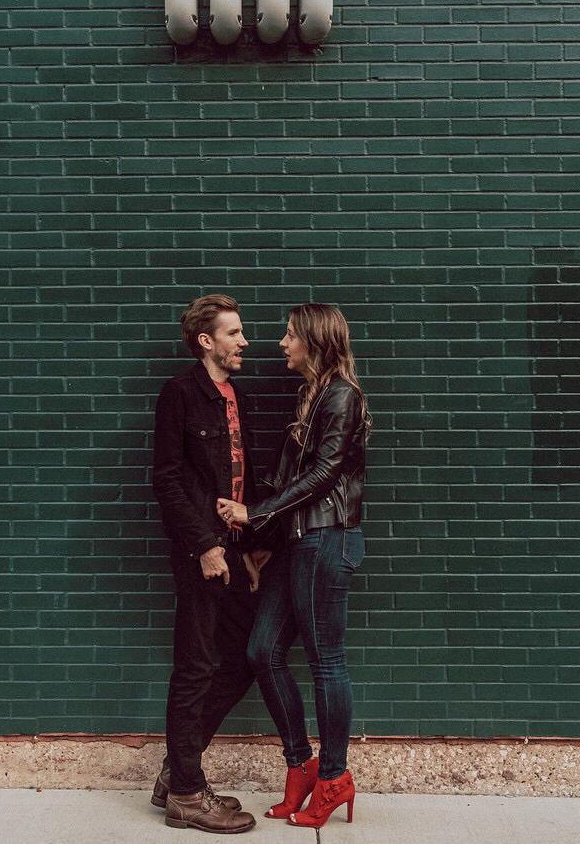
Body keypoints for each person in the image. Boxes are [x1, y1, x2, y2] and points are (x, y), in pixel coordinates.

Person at [215, 302, 369, 829]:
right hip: (297, 542)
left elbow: (325, 474)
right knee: (263, 650)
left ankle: (334, 777)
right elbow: (292, 484)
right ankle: (300, 763)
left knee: (327, 661)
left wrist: (254, 513)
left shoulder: (343, 397)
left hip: (329, 541)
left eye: (289, 334)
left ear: (315, 341)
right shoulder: (313, 396)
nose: (280, 343)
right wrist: (264, 542)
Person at [151, 294, 272, 834]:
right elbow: (168, 479)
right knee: (197, 664)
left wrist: (244, 550)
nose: (244, 341)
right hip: (199, 552)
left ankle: (179, 768)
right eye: (234, 333)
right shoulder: (180, 394)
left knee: (248, 655)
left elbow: (239, 481)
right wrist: (204, 545)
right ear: (207, 341)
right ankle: (185, 793)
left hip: (233, 548)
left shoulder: (235, 396)